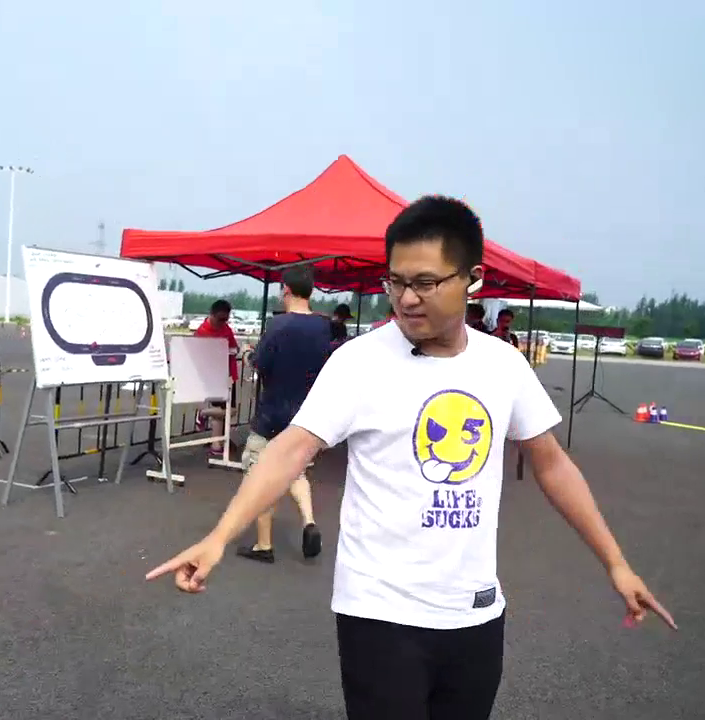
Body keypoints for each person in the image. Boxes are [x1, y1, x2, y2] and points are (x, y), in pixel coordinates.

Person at [146, 195, 676, 720]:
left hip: (474, 613)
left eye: (425, 282)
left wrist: (616, 564)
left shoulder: (504, 365)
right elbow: (291, 448)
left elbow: (552, 464)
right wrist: (221, 536)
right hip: (379, 613)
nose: (406, 299)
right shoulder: (359, 362)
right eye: (395, 282)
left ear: (472, 279)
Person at [236, 265, 330, 564]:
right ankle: (309, 521)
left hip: (272, 414)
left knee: (261, 476)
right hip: (304, 416)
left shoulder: (277, 325)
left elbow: (261, 363)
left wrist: (248, 354)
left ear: (285, 290)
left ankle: (264, 545)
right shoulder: (323, 326)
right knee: (296, 471)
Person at [193, 299, 239, 457]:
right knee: (225, 410)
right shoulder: (202, 332)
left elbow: (234, 347)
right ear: (211, 315)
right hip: (213, 376)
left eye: (226, 319)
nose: (223, 323)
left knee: (226, 411)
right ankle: (204, 415)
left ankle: (216, 444)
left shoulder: (226, 329)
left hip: (228, 374)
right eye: (220, 319)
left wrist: (230, 350)